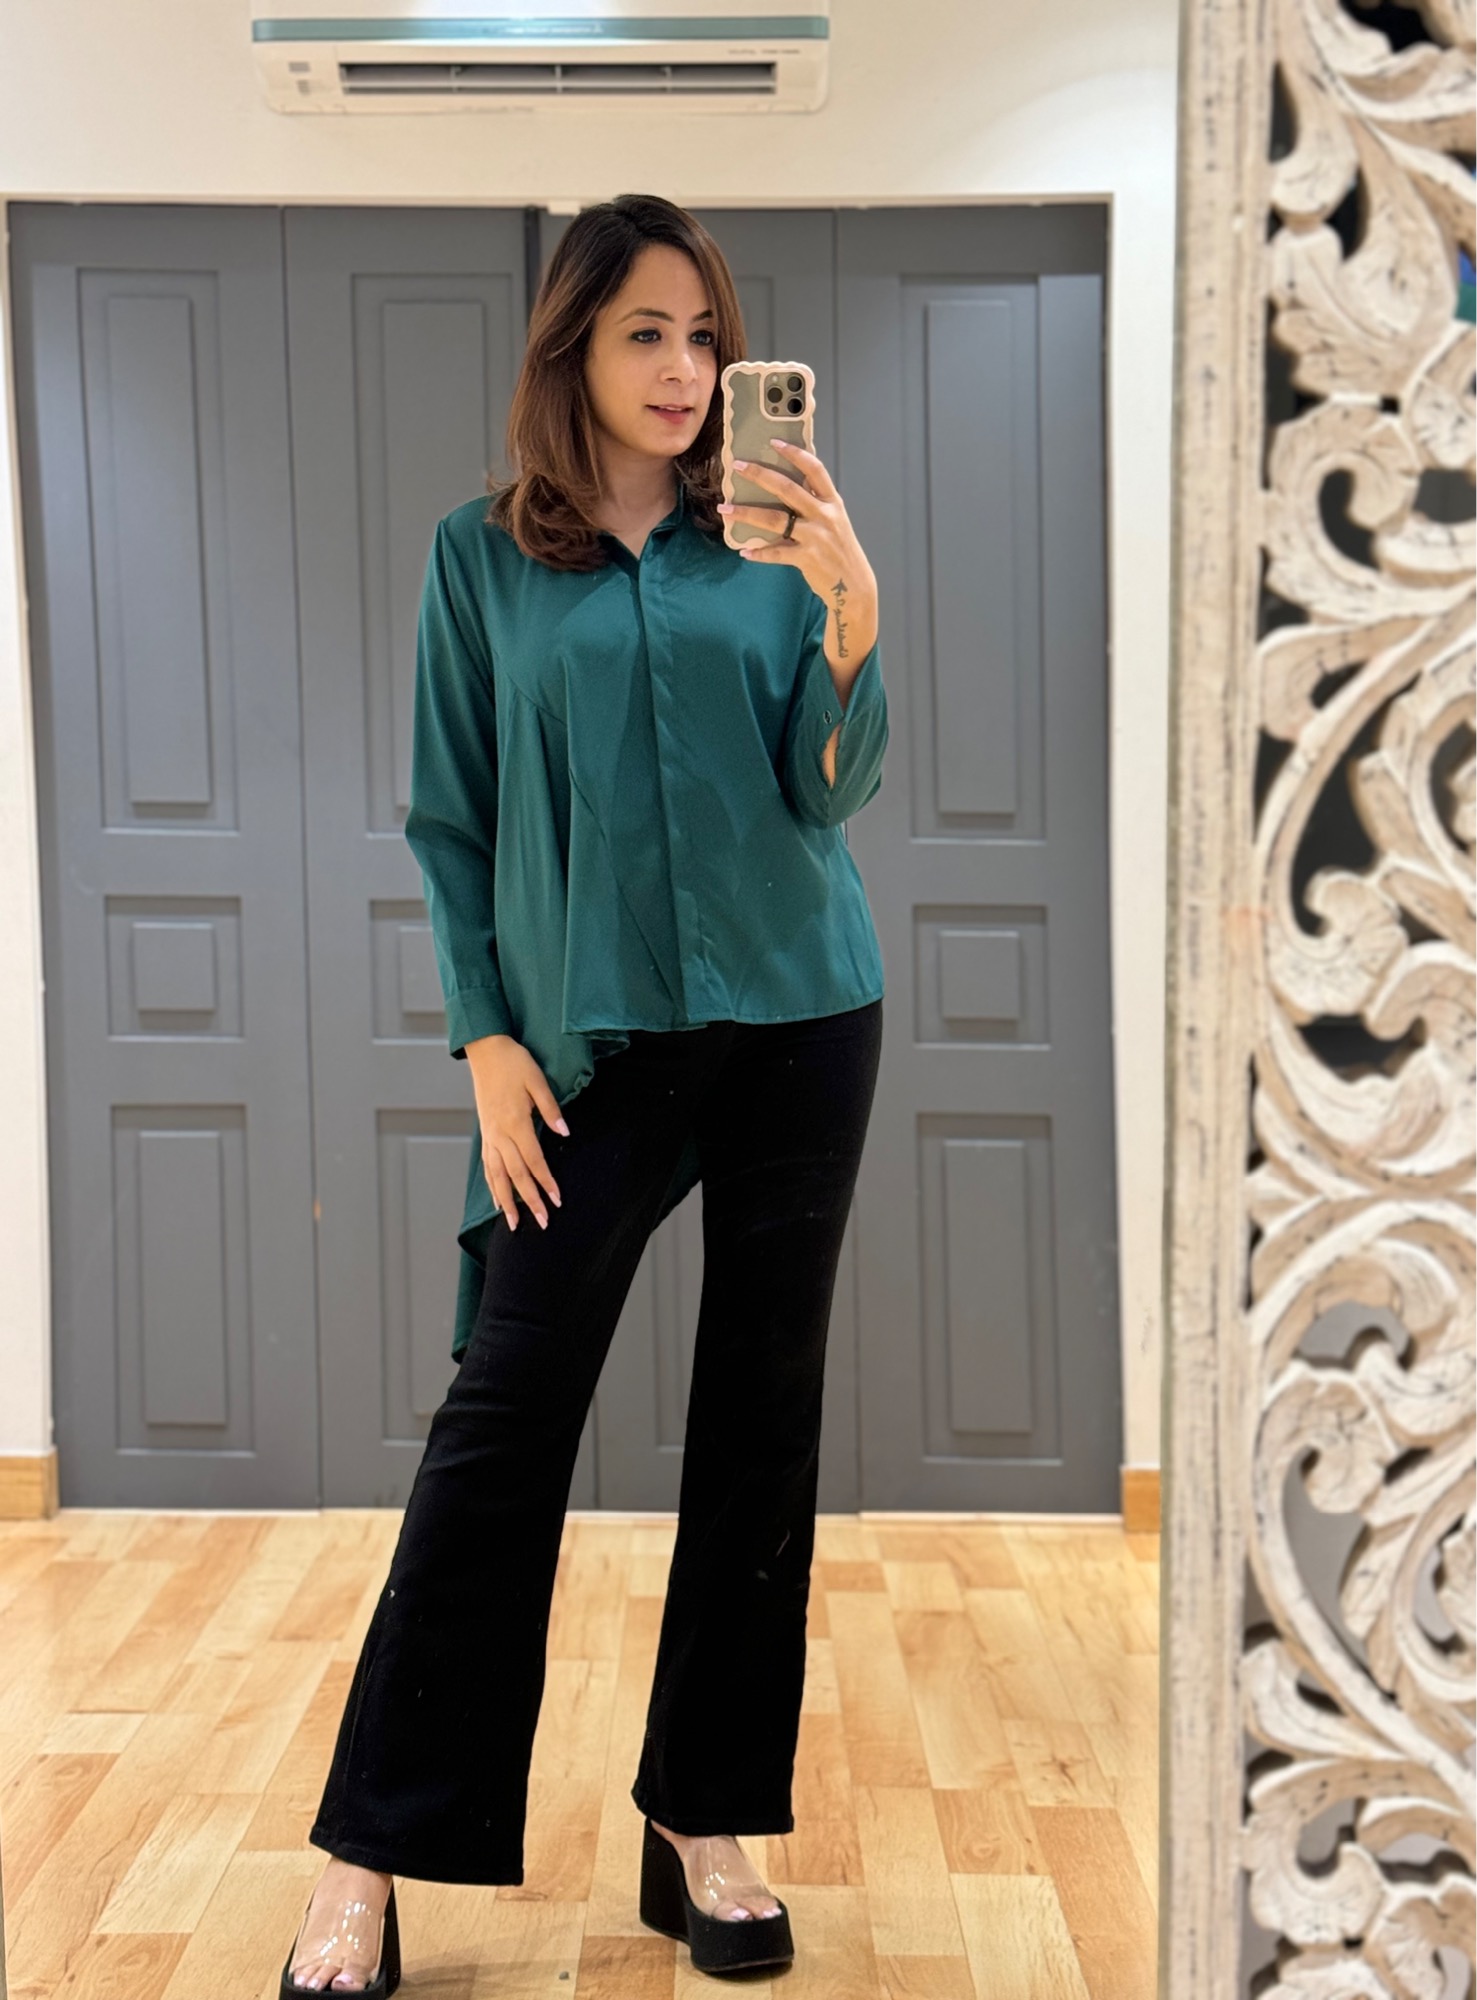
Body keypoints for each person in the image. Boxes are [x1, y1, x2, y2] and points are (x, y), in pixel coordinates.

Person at [279, 191, 888, 1994]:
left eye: (706, 335)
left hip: (800, 1014)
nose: (686, 368)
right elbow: (448, 818)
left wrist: (850, 615)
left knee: (761, 1421)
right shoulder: (480, 561)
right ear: (572, 347)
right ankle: (366, 1856)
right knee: (503, 1421)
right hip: (585, 1047)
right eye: (646, 332)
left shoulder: (771, 543)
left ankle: (706, 1822)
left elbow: (828, 791)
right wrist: (484, 1043)